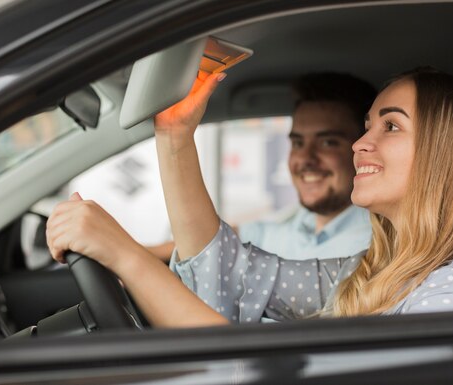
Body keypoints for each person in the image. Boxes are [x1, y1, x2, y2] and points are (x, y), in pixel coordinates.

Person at [47, 67, 453, 328]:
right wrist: (175, 140)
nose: (359, 144)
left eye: (390, 126)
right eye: (367, 125)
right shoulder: (375, 273)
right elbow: (233, 272)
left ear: (447, 156)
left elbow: (271, 371)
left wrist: (126, 256)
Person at [149, 72, 376, 261]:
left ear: (364, 148)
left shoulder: (374, 245)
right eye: (297, 142)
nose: (305, 159)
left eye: (328, 142)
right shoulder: (301, 222)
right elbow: (217, 240)